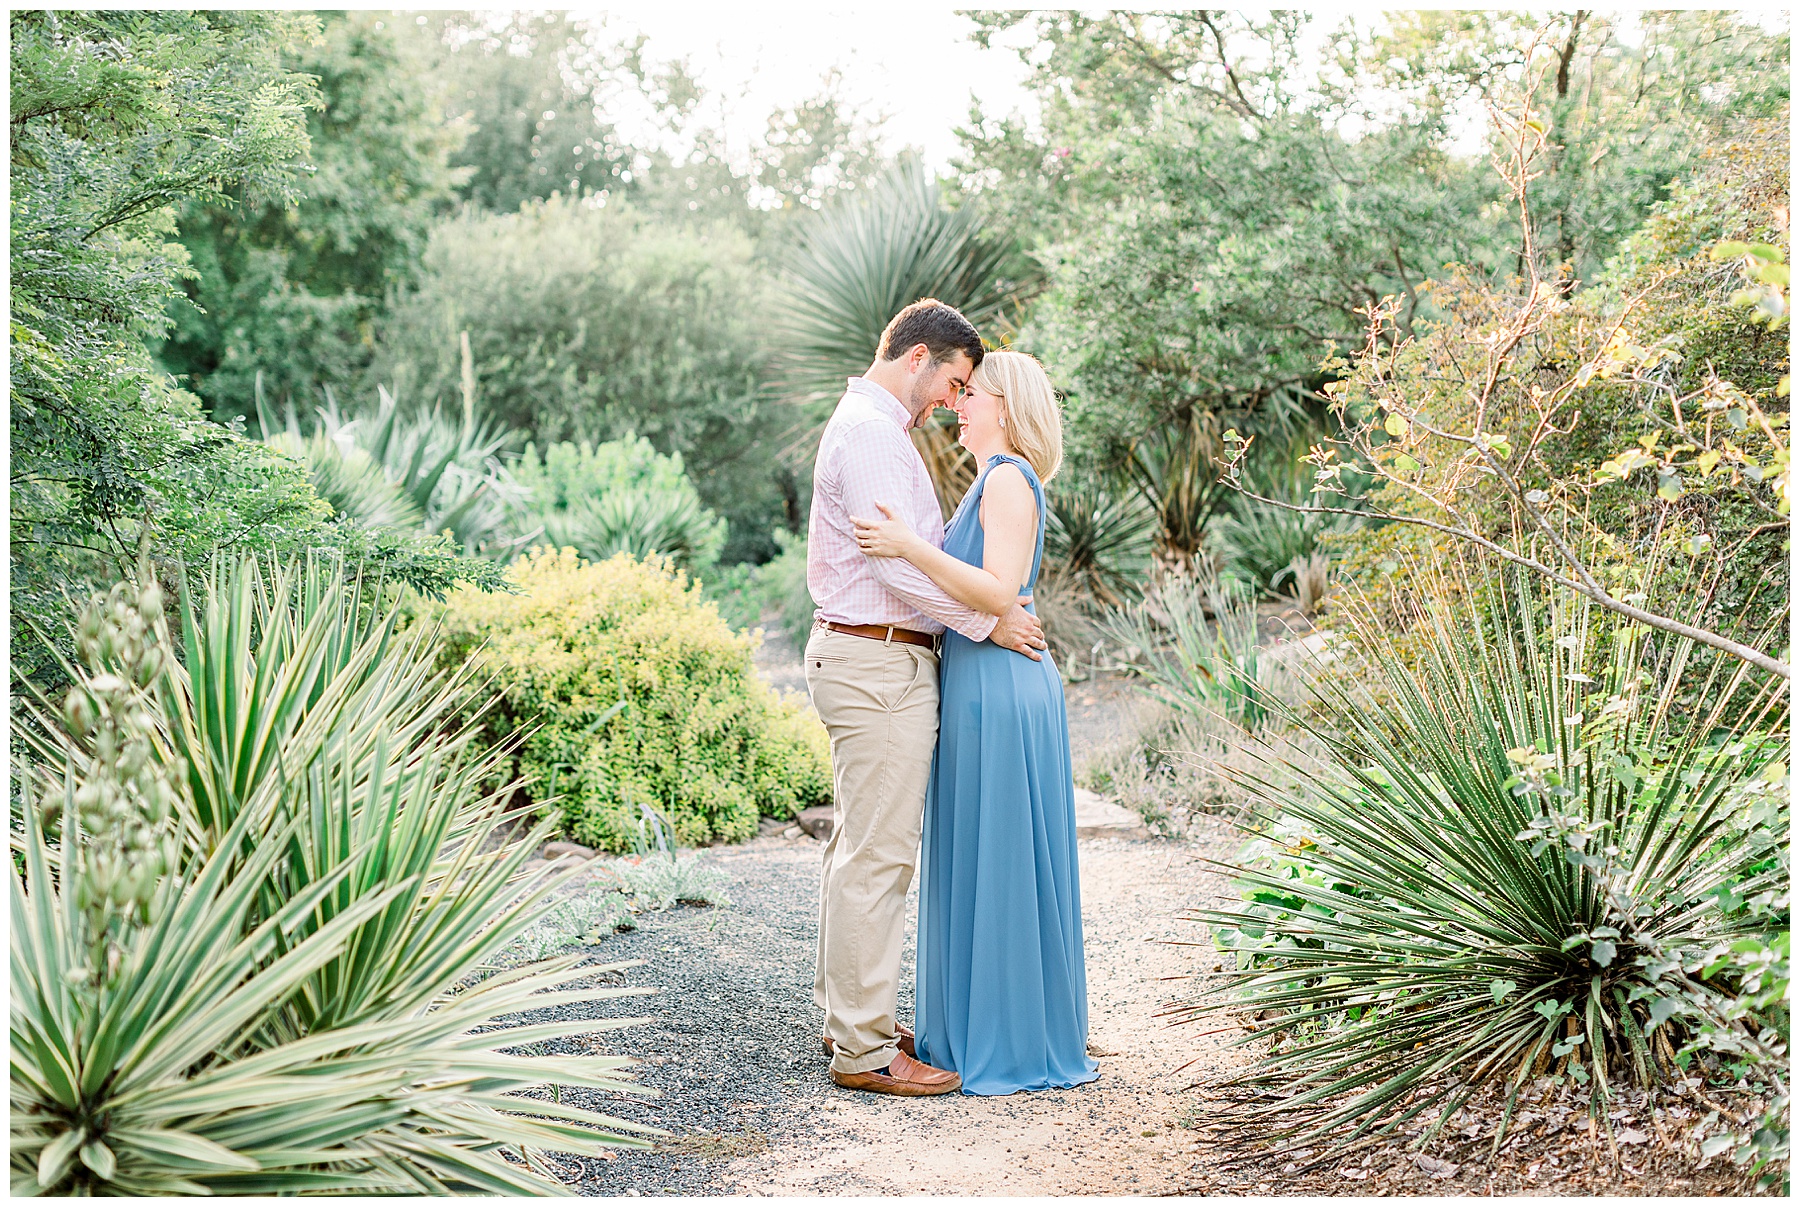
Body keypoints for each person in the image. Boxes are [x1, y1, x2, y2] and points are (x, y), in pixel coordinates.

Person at [804, 299, 1049, 1097]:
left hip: (883, 660)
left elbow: (915, 557)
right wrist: (989, 620)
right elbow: (899, 569)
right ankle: (865, 1049)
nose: (954, 398)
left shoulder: (879, 432)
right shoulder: (872, 433)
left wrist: (982, 614)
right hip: (876, 663)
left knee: (864, 852)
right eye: (954, 379)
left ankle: (856, 1021)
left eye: (968, 389)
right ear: (918, 358)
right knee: (877, 858)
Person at [851, 350, 1099, 1096]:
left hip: (1000, 692)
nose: (960, 402)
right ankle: (983, 1022)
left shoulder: (1010, 479)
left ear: (1008, 408)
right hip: (977, 685)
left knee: (1003, 858)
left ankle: (1019, 1033)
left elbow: (997, 591)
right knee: (981, 854)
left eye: (973, 392)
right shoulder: (986, 482)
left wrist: (907, 546)